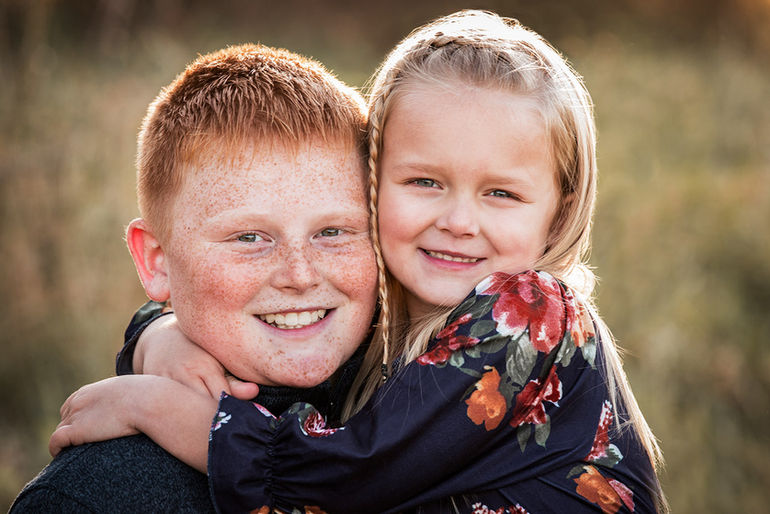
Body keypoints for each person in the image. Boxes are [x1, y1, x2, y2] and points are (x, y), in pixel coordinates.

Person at [50, 10, 668, 513]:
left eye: (501, 193)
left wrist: (160, 408)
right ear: (372, 188)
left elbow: (347, 475)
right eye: (424, 181)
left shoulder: (533, 312)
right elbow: (233, 308)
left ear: (558, 214)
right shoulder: (386, 312)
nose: (458, 221)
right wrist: (160, 334)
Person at [10, 43, 379, 512]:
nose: (300, 275)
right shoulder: (92, 498)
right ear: (157, 262)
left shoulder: (439, 386)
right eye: (249, 238)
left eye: (332, 232)